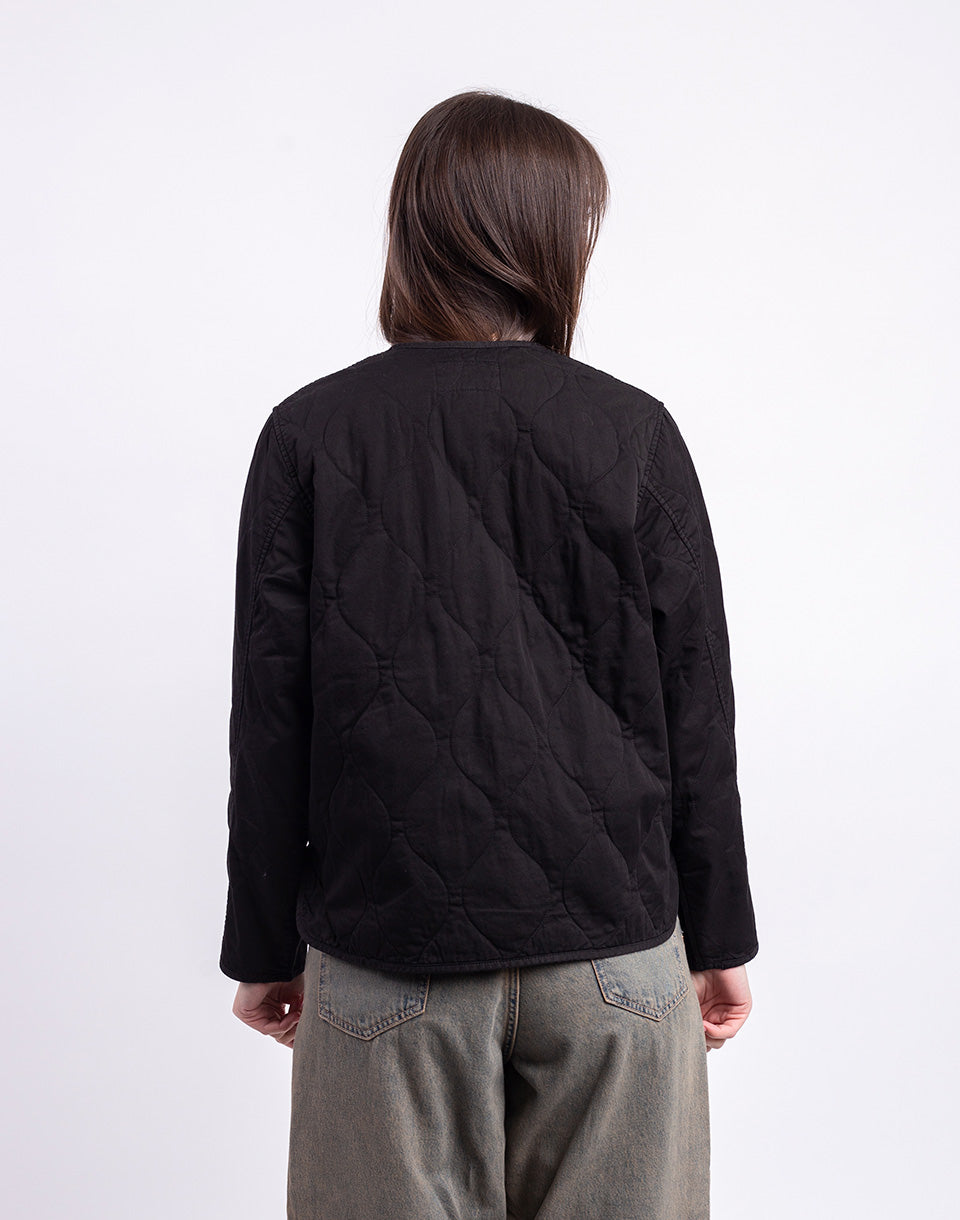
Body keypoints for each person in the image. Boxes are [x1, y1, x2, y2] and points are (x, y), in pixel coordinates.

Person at [219, 89, 758, 1220]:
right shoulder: (634, 430)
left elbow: (272, 715)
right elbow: (695, 709)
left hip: (386, 956)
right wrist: (719, 935)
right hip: (614, 959)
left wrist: (262, 942)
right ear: (553, 243)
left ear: (413, 231)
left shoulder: (310, 432)